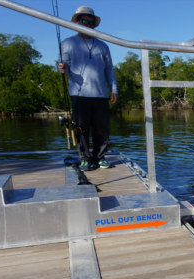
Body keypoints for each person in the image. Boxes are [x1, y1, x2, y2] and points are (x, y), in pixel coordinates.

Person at [58, 6, 118, 171]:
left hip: (101, 94)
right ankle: (84, 158)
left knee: (102, 128)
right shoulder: (68, 43)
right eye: (84, 21)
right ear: (77, 22)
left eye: (92, 23)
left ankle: (100, 157)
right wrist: (62, 68)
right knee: (81, 128)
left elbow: (109, 70)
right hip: (79, 94)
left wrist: (114, 90)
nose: (89, 25)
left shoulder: (103, 46)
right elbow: (64, 66)